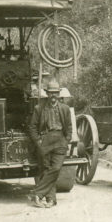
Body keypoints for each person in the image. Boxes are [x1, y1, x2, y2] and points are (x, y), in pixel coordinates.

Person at [27, 79, 73, 208]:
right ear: (47, 94)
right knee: (46, 170)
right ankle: (51, 200)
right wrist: (38, 141)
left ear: (59, 94)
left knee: (56, 168)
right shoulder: (39, 108)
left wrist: (67, 139)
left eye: (56, 93)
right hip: (45, 140)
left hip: (60, 141)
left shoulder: (65, 109)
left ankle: (37, 194)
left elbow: (69, 127)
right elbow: (32, 127)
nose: (53, 96)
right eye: (51, 93)